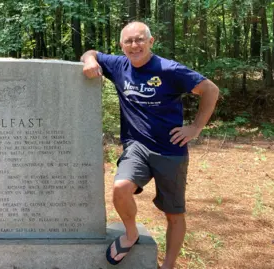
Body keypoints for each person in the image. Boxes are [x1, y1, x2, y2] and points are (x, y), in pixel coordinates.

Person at [81, 21, 219, 269]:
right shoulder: (118, 65)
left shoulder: (169, 70)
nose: (134, 45)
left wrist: (196, 127)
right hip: (137, 146)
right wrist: (90, 61)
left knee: (174, 214)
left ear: (151, 41)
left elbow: (210, 89)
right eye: (129, 41)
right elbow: (91, 53)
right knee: (120, 187)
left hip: (171, 150)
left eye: (140, 40)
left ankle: (167, 266)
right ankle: (131, 234)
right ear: (121, 45)